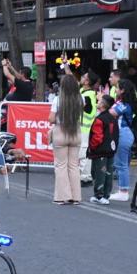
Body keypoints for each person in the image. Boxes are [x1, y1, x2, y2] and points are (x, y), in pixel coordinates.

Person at [51, 74, 83, 205]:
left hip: (61, 131)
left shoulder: (57, 100)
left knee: (61, 165)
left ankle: (62, 196)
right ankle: (76, 197)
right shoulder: (80, 99)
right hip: (75, 132)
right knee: (74, 165)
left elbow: (51, 119)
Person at [87, 95, 119, 204]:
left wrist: (92, 147)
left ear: (102, 105)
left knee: (99, 172)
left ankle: (98, 195)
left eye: (99, 101)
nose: (97, 101)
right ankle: (106, 195)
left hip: (100, 151)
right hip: (110, 150)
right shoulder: (112, 119)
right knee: (108, 173)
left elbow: (97, 137)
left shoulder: (100, 119)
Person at [110, 79, 137, 202]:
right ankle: (123, 189)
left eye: (117, 88)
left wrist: (101, 101)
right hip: (125, 134)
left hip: (123, 134)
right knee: (123, 164)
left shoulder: (123, 104)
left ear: (123, 90)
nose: (115, 90)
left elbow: (111, 112)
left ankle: (123, 192)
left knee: (121, 165)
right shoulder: (125, 103)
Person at [78, 71, 100, 184]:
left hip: (85, 129)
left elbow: (88, 110)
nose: (81, 78)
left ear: (87, 81)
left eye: (84, 77)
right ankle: (82, 175)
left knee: (84, 154)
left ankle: (85, 177)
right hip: (82, 128)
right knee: (82, 153)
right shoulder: (83, 91)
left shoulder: (87, 95)